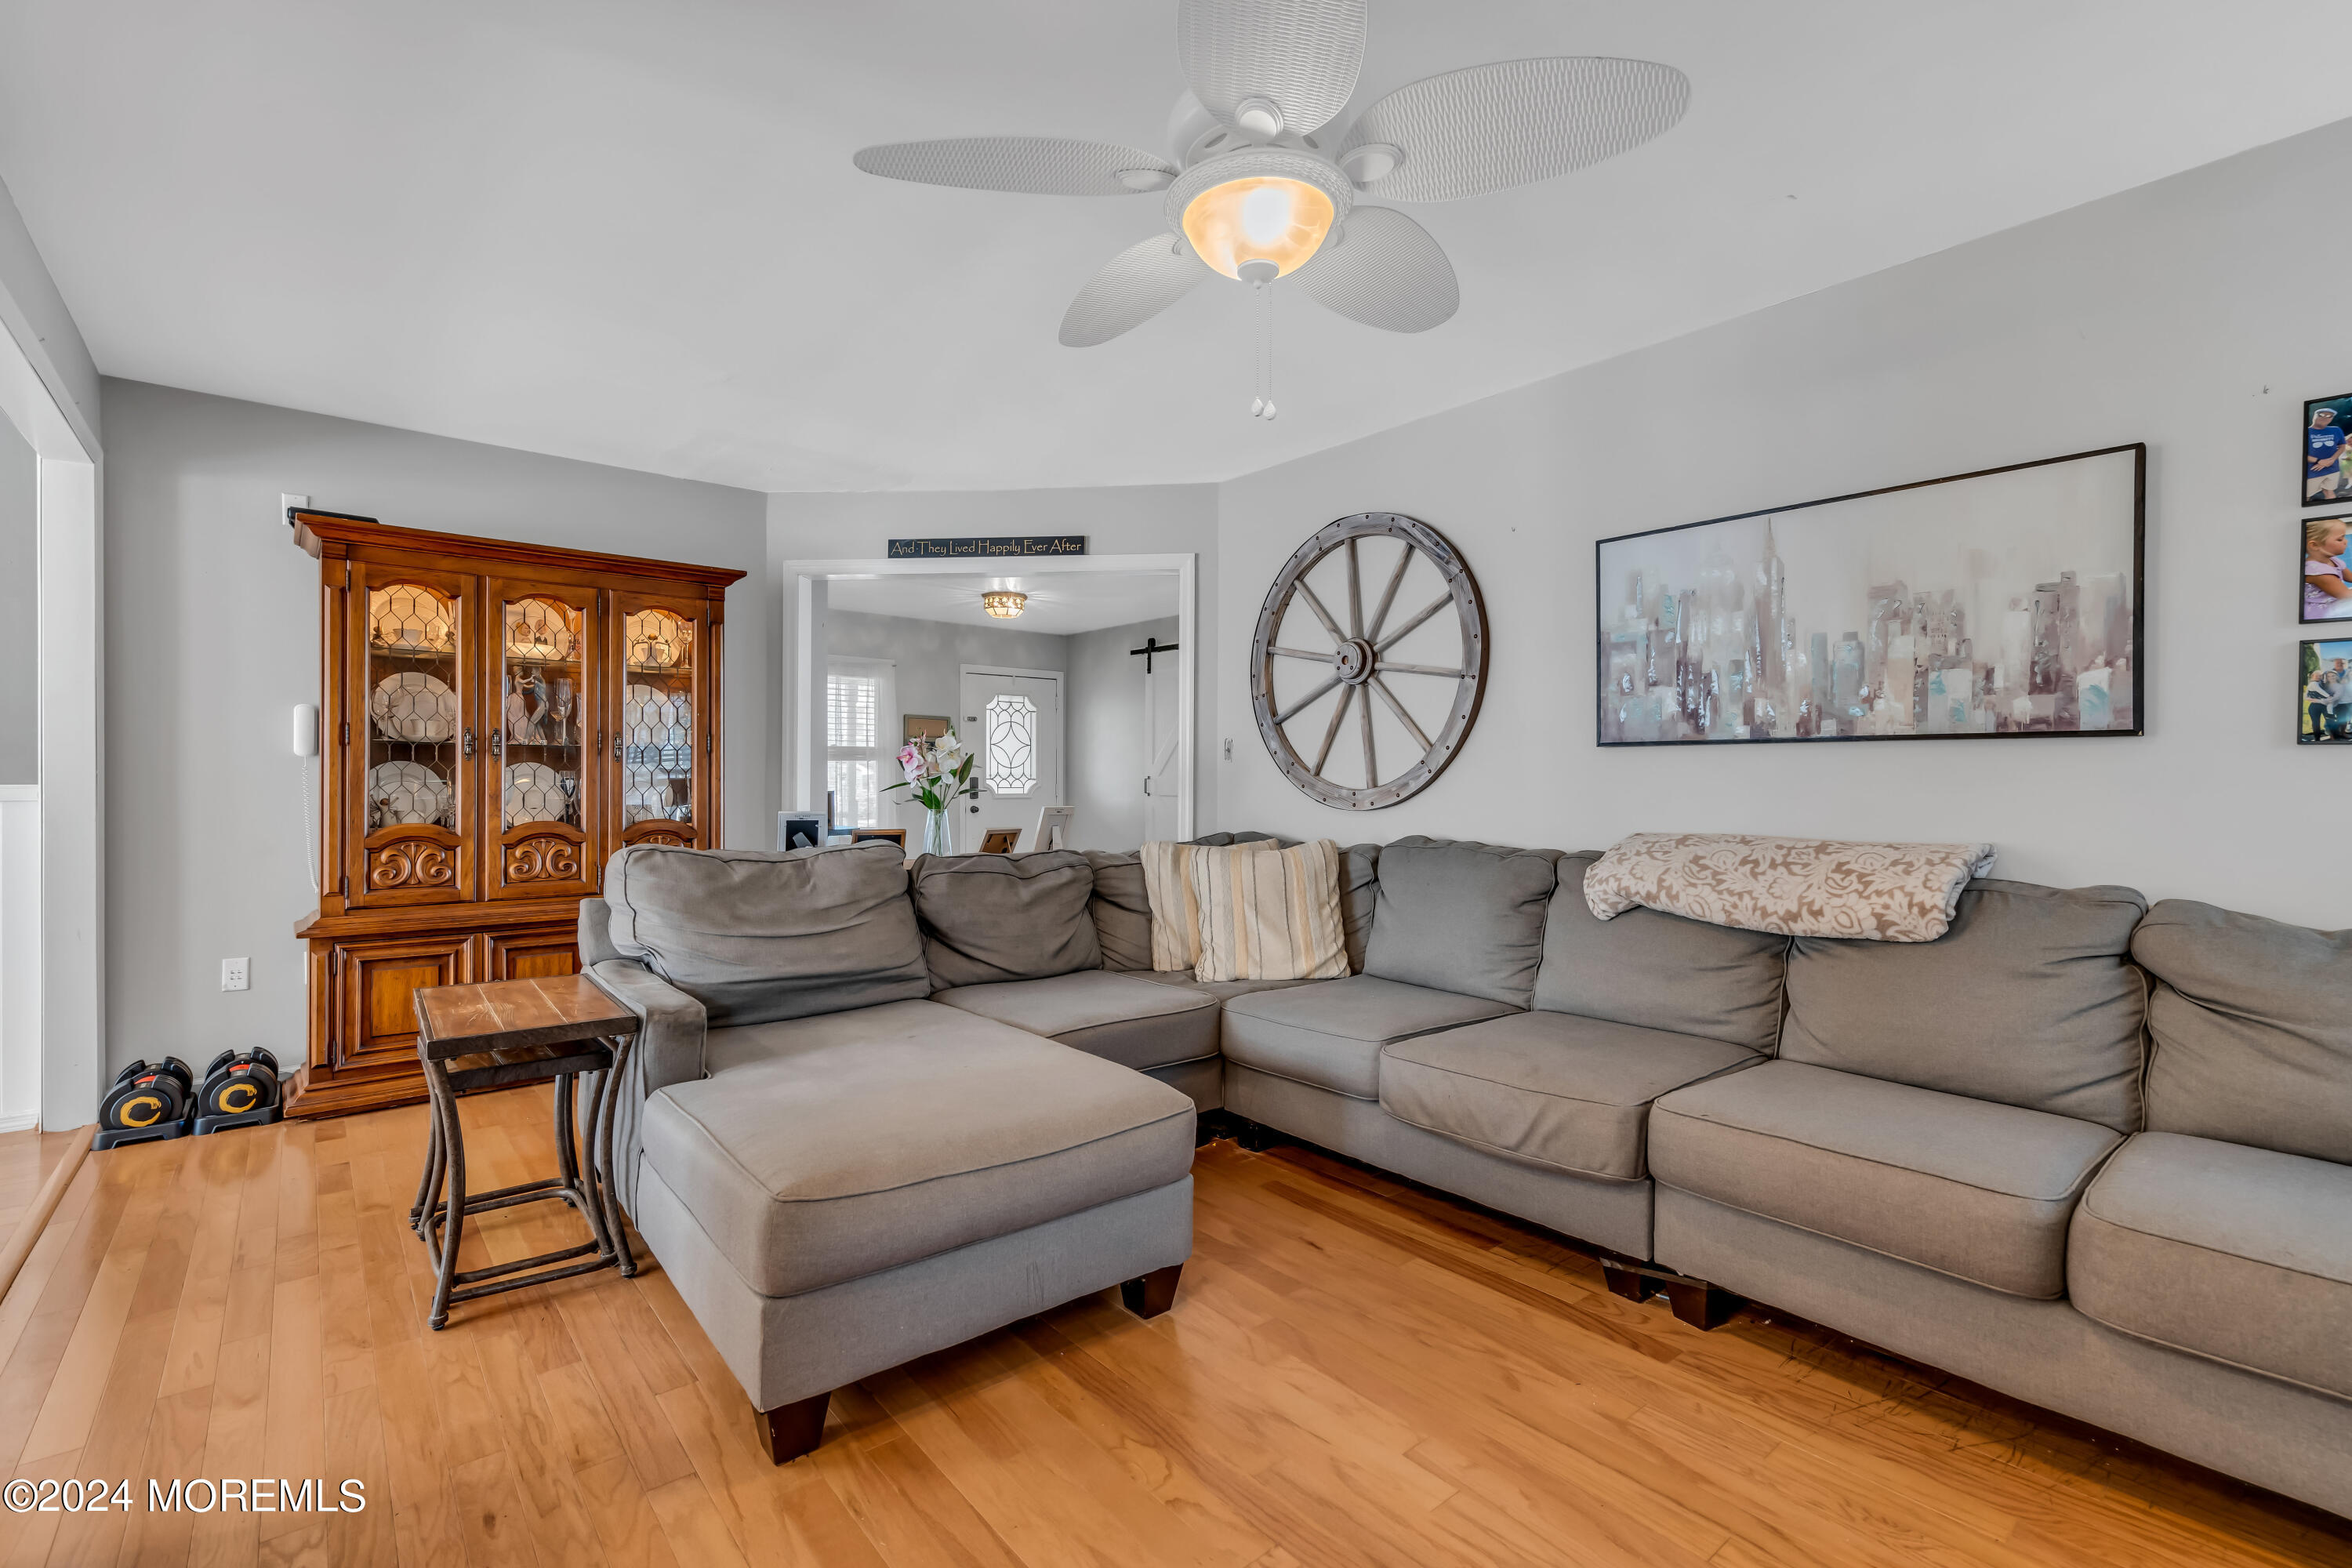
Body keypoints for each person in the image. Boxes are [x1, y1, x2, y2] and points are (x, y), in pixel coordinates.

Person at [2307, 517, 2352, 619]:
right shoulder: (2318, 572)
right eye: (2340, 539)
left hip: (2336, 601)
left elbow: (2350, 577)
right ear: (2314, 545)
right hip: (2323, 613)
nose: (2346, 541)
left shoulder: (2333, 560)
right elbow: (2345, 595)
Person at [2311, 408, 2350, 503]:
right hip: (2312, 471)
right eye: (2322, 415)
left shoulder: (2336, 430)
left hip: (2333, 470)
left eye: (2329, 416)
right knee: (2307, 496)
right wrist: (2319, 461)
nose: (2325, 418)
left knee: (2329, 491)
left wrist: (2332, 460)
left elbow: (2342, 447)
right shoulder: (2306, 432)